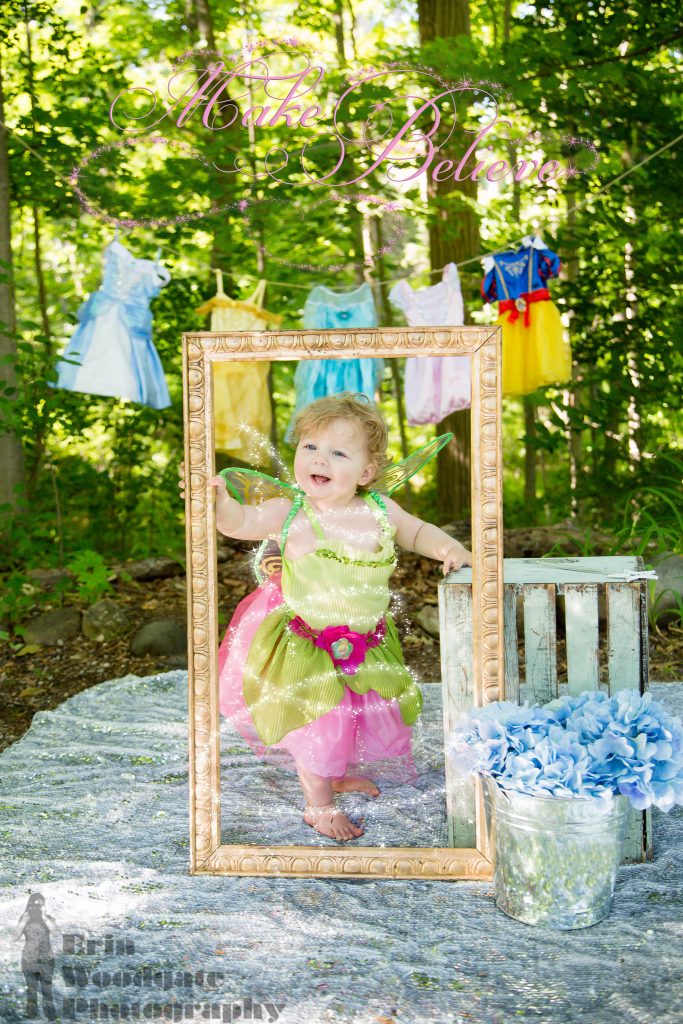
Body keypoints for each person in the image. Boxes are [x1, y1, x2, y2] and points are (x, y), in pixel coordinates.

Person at [13, 892, 58, 1020]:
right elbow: (15, 937)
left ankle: (51, 1016)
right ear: (29, 905)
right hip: (29, 960)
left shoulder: (48, 918)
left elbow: (56, 933)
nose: (37, 908)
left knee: (47, 990)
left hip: (47, 960)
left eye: (40, 905)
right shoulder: (24, 918)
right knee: (31, 990)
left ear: (44, 906)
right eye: (34, 905)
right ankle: (31, 1016)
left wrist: (44, 917)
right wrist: (24, 921)